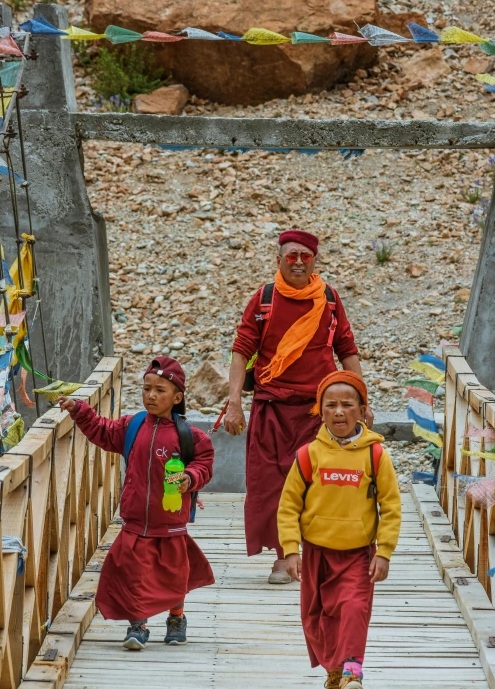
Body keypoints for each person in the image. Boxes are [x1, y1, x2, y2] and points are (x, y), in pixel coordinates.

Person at [225, 229, 372, 583]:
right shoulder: (264, 299)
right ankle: (283, 557)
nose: (298, 263)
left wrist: (363, 402)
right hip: (271, 406)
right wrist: (234, 401)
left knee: (321, 483)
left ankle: (321, 553)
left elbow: (347, 350)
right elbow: (241, 349)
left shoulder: (329, 299)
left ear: (315, 262)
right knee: (271, 483)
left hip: (318, 410)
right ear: (278, 260)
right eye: (291, 256)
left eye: (305, 257)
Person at [57, 356, 215, 651]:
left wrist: (190, 479)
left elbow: (204, 464)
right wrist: (80, 411)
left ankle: (176, 617)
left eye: (160, 390)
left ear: (177, 397)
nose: (151, 396)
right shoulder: (132, 426)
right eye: (146, 389)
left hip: (169, 520)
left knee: (174, 573)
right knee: (132, 572)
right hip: (134, 520)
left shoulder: (189, 436)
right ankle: (138, 625)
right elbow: (101, 430)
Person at [277, 371, 401, 689]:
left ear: (362, 411)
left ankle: (352, 670)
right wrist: (291, 549)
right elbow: (288, 505)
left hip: (359, 554)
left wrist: (384, 552)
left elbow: (391, 507)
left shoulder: (375, 456)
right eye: (330, 405)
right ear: (321, 410)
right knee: (316, 619)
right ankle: (336, 670)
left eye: (348, 404)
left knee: (354, 607)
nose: (339, 412)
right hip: (316, 553)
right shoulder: (309, 456)